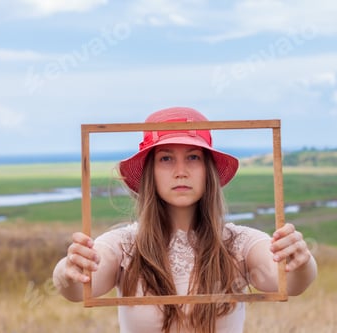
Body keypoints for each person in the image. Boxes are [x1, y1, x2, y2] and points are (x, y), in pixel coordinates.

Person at [53, 106, 317, 333]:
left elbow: (288, 283)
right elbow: (78, 289)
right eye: (166, 158)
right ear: (150, 173)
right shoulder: (123, 245)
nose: (181, 172)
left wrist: (300, 262)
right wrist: (68, 270)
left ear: (208, 170)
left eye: (193, 157)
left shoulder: (240, 243)